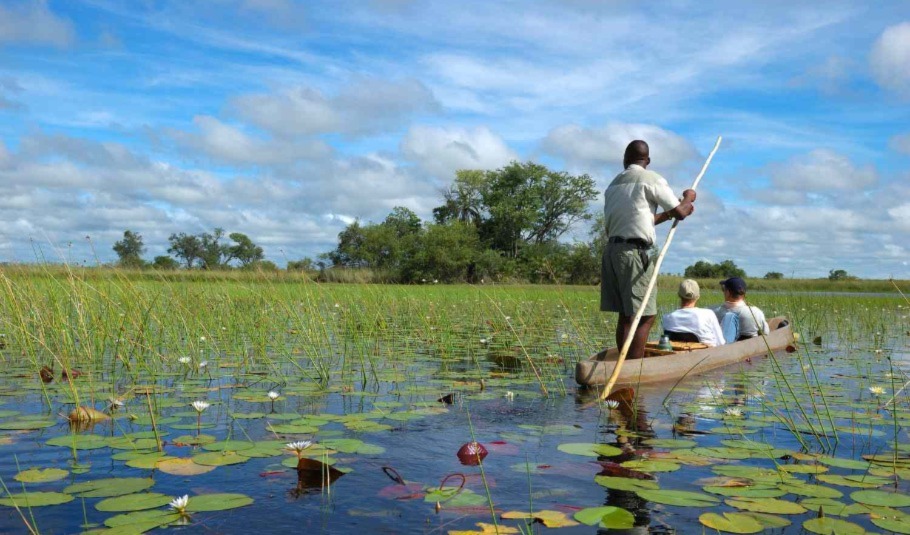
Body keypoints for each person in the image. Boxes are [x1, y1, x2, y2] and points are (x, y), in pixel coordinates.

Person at [601, 140, 696, 360]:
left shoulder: (614, 184)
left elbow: (645, 219)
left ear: (625, 160)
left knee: (626, 315)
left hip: (612, 253)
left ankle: (624, 364)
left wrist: (673, 212)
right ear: (648, 161)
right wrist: (689, 197)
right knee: (644, 316)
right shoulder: (650, 178)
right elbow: (681, 211)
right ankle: (633, 367)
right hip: (633, 254)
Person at [661, 279, 725, 347]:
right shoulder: (708, 314)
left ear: (679, 295)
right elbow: (721, 342)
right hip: (706, 354)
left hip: (678, 354)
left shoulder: (666, 317)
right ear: (698, 296)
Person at [713, 277, 769, 342]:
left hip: (725, 349)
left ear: (728, 292)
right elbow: (766, 333)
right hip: (751, 348)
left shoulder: (714, 312)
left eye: (723, 290)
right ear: (744, 293)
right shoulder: (756, 312)